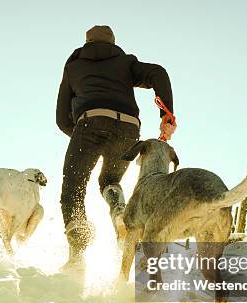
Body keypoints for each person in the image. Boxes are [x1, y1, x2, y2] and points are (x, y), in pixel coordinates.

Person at [56, 25, 176, 270]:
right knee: (110, 180)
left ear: (87, 42)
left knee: (73, 188)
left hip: (89, 122)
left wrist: (81, 136)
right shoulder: (125, 63)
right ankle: (118, 211)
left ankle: (77, 257)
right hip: (128, 129)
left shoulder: (74, 67)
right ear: (112, 43)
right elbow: (158, 73)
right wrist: (166, 113)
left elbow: (61, 118)